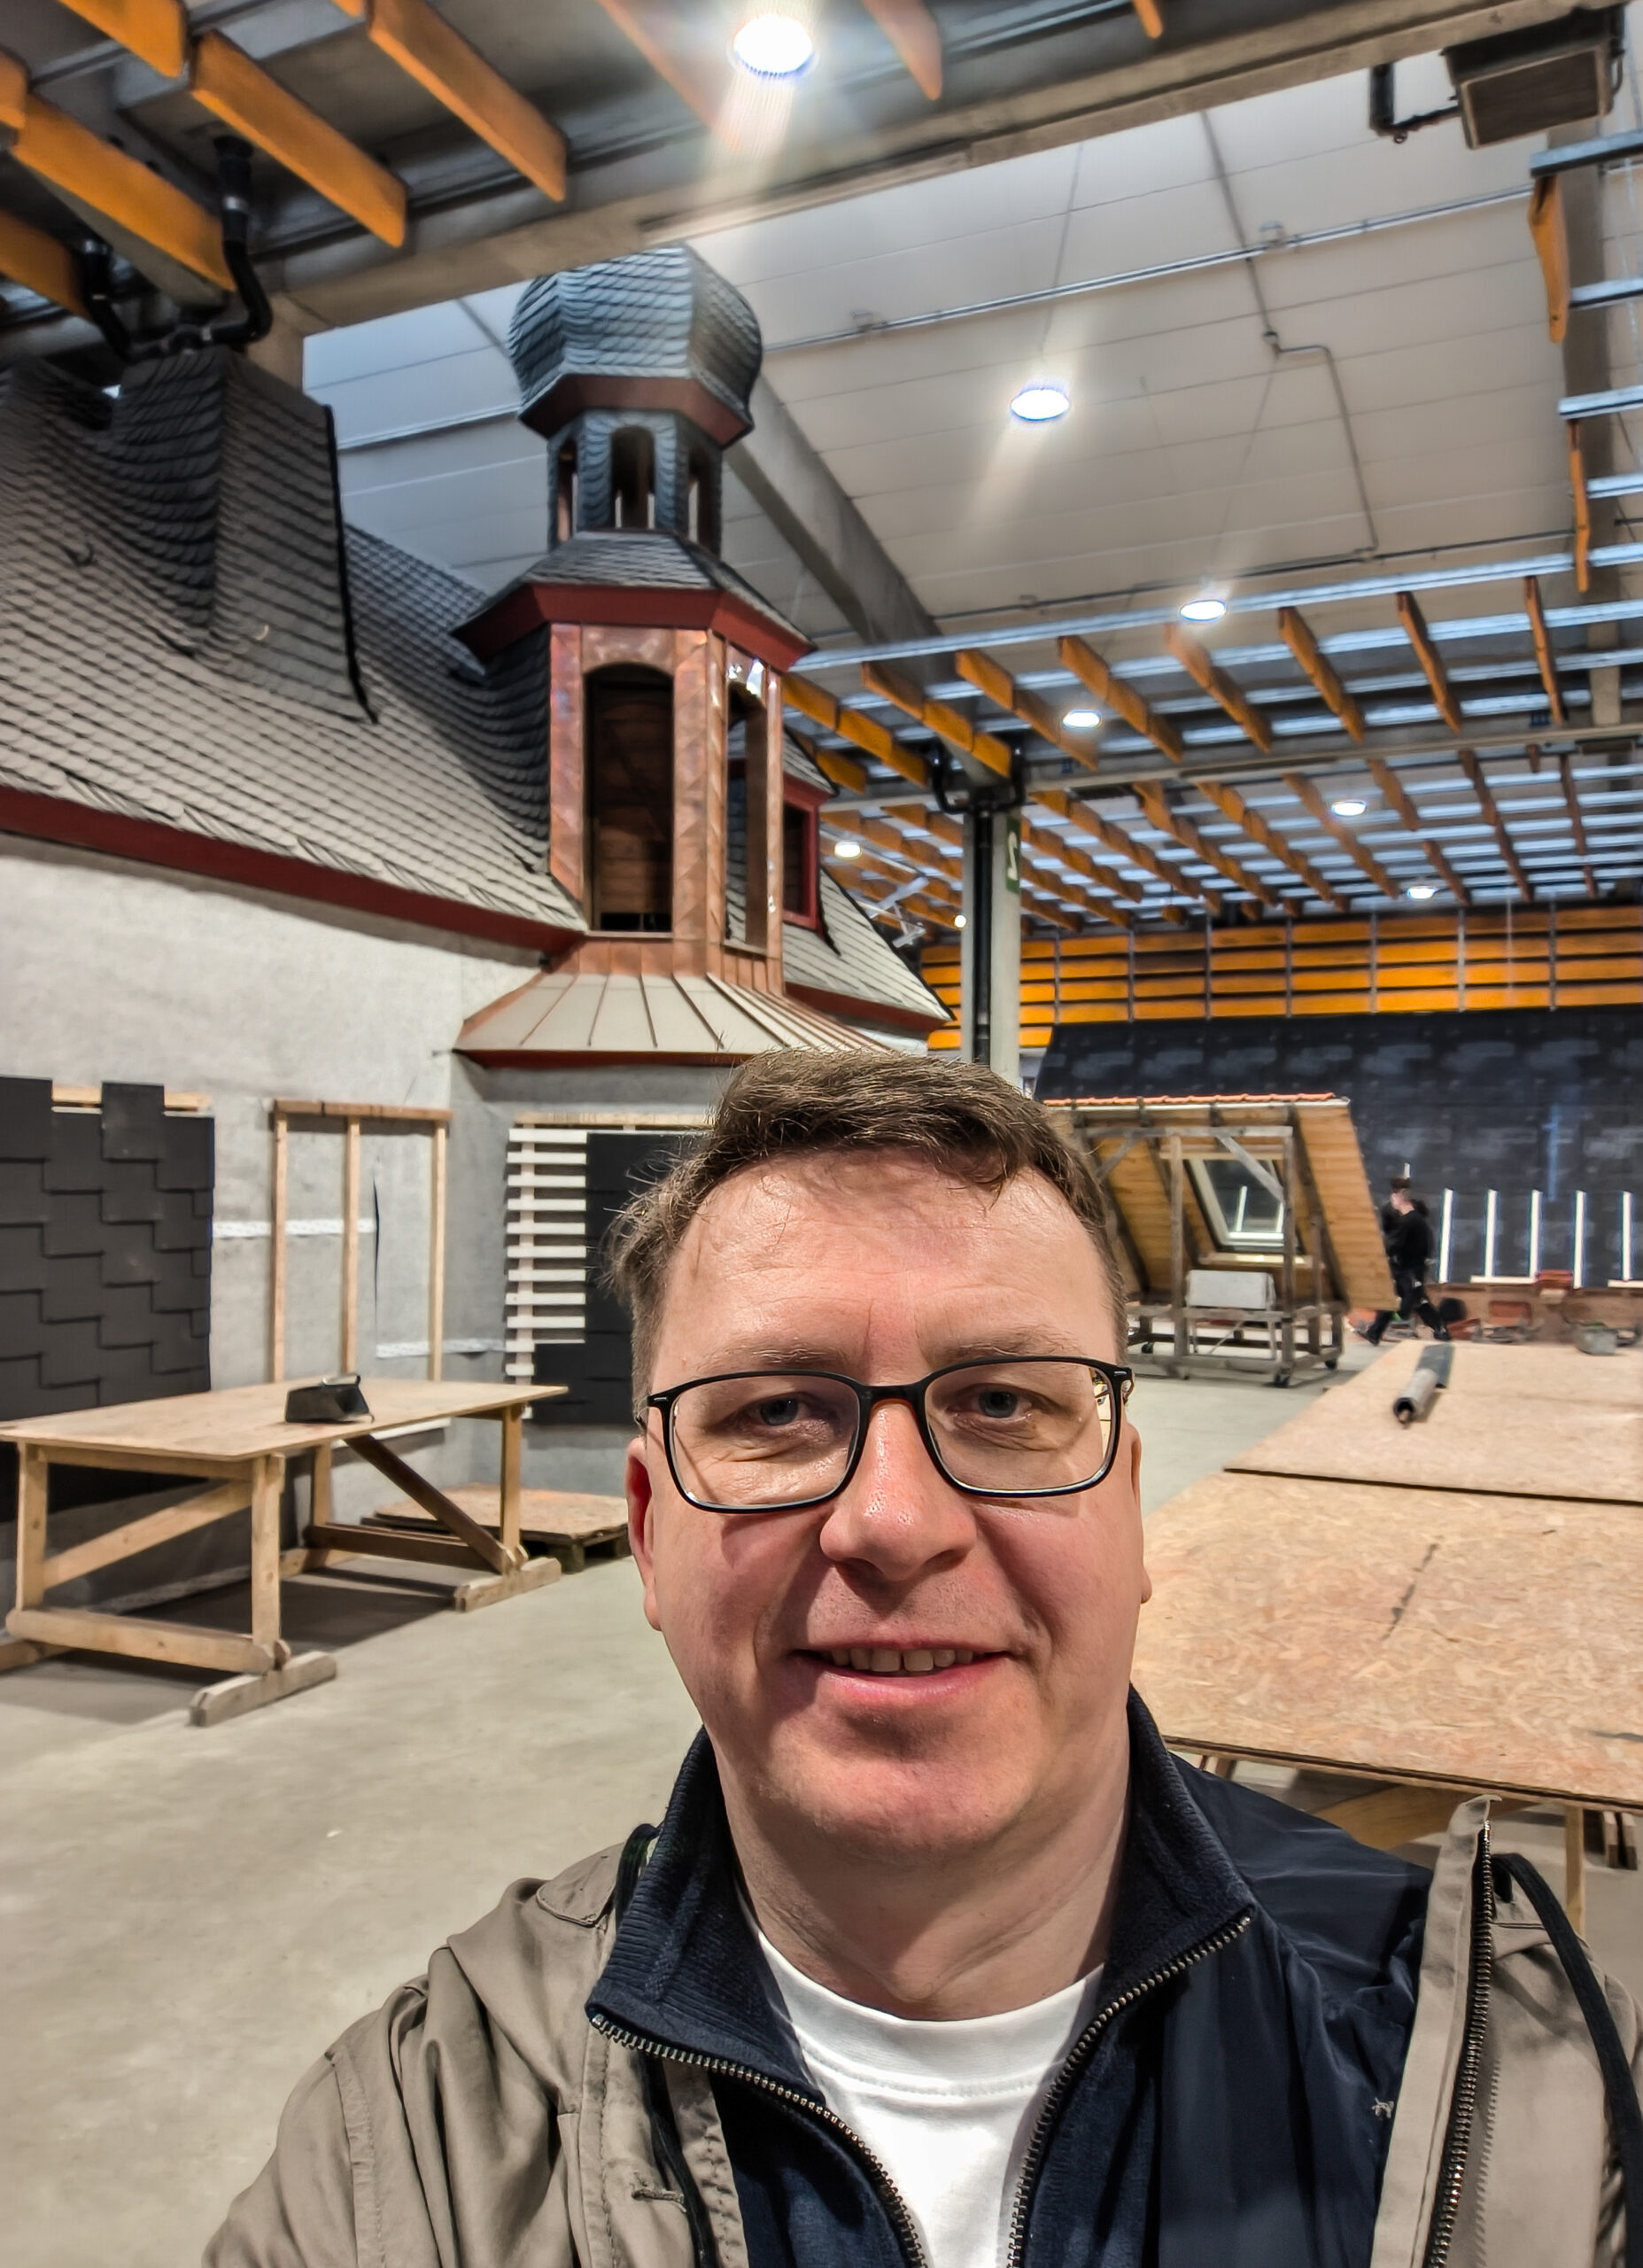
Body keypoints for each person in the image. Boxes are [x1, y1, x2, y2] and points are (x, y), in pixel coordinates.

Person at [208, 1053, 1639, 2268]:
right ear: (647, 1533)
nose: (892, 1523)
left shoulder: (1516, 2078)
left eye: (1004, 1403)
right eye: (774, 1412)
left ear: (1128, 1506)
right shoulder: (419, 2150)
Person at [1363, 1175, 1449, 1345]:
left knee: (1415, 1300)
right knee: (1397, 1298)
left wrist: (1382, 1254)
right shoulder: (1412, 1218)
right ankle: (1374, 1333)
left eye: (1395, 1195)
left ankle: (1440, 1329)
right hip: (1406, 1266)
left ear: (1400, 1196)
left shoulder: (1410, 1221)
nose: (1393, 1200)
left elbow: (1395, 1243)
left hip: (1409, 1268)